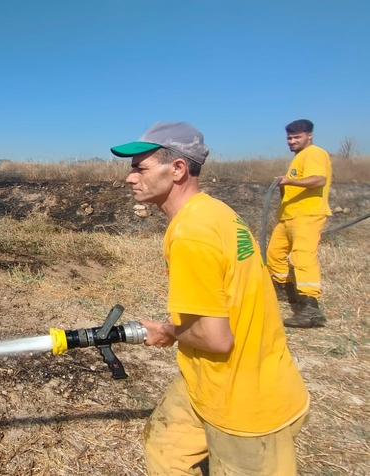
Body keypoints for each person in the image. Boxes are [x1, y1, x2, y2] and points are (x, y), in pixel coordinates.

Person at [111, 122, 309, 475]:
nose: (130, 177)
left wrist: (167, 331)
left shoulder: (191, 234)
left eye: (139, 167)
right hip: (206, 381)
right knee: (165, 449)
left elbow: (216, 339)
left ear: (177, 169)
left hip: (247, 404)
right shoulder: (216, 212)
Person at [266, 119, 332, 328]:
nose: (292, 141)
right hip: (289, 216)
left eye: (297, 137)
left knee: (303, 257)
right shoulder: (299, 158)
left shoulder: (314, 153)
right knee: (274, 254)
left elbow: (318, 180)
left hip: (307, 215)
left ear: (309, 136)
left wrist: (289, 181)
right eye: (289, 138)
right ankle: (287, 293)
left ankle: (310, 309)